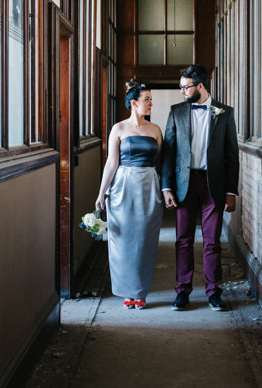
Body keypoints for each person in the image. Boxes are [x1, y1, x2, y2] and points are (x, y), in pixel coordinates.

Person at [161, 64, 239, 311]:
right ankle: (182, 292)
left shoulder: (225, 113)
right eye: (181, 87)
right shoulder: (176, 112)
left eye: (186, 87)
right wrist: (166, 187)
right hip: (184, 185)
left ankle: (214, 292)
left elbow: (231, 155)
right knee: (183, 240)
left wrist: (230, 190)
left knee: (212, 241)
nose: (182, 91)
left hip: (212, 185)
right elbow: (168, 154)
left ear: (201, 86)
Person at [95, 79, 163, 309]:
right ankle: (126, 291)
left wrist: (165, 189)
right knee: (122, 240)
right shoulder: (119, 128)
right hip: (122, 186)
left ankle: (140, 291)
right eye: (147, 99)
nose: (151, 103)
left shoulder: (155, 129)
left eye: (151, 99)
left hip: (148, 185)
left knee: (145, 241)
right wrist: (101, 193)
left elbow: (161, 162)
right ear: (134, 103)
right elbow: (111, 163)